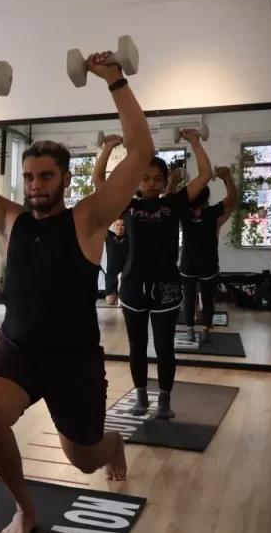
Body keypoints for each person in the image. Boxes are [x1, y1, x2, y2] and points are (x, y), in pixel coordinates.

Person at [0, 52, 154, 533]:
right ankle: (24, 506)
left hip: (74, 359)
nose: (34, 186)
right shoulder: (10, 220)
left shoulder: (87, 219)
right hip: (17, 349)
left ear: (65, 178)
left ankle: (113, 447)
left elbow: (138, 152)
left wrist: (115, 80)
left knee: (83, 458)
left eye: (45, 177)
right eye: (28, 177)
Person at [93, 130, 212, 419]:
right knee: (137, 346)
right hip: (133, 286)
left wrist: (194, 142)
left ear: (164, 181)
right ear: (137, 181)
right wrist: (109, 147)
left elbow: (205, 174)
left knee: (164, 347)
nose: (150, 184)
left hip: (167, 287)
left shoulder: (173, 204)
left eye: (157, 179)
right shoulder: (128, 205)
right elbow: (99, 181)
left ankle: (165, 402)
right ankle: (141, 399)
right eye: (145, 179)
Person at [180, 166, 237, 341]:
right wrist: (227, 178)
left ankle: (189, 330)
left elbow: (168, 202)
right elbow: (232, 200)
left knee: (189, 298)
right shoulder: (214, 216)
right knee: (207, 297)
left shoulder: (183, 216)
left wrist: (175, 182)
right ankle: (205, 329)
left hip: (189, 264)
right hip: (208, 264)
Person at [104, 217, 128, 305]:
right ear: (114, 225)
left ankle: (121, 295)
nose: (119, 227)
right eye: (117, 225)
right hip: (111, 273)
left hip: (123, 274)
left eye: (122, 225)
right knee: (110, 302)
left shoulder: (128, 238)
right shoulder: (109, 237)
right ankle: (117, 294)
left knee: (121, 302)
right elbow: (103, 225)